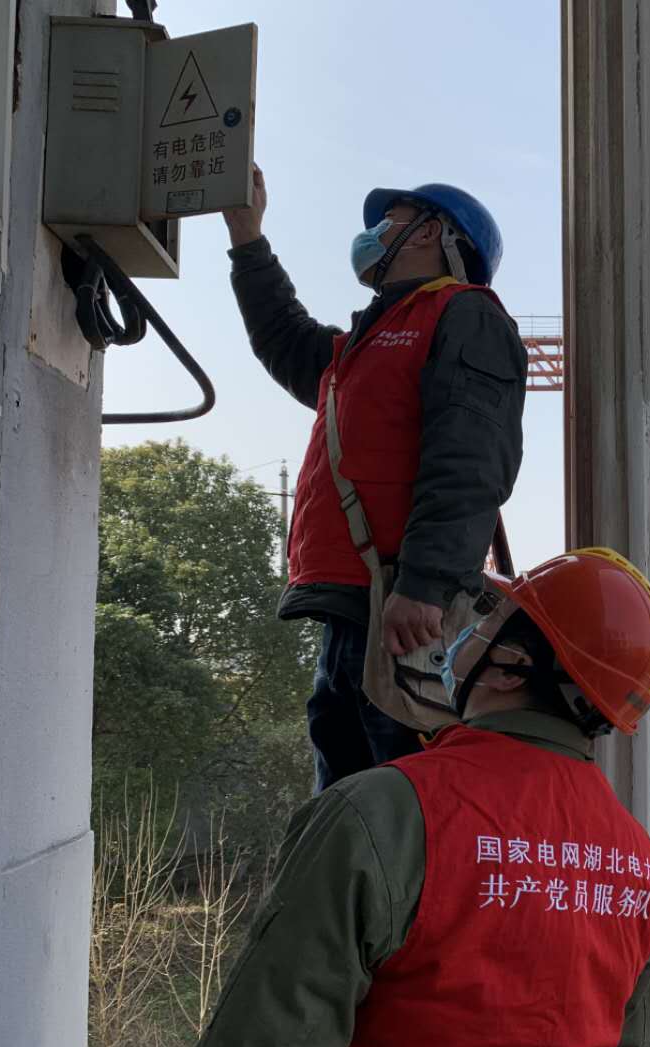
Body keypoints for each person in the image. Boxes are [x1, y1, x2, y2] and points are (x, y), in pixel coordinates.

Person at [184, 548, 650, 1047]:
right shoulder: (640, 864)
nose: (465, 631)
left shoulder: (378, 813)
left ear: (512, 667)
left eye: (488, 622)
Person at [223, 167, 528, 791]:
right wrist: (246, 235)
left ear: (432, 232)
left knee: (397, 811)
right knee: (345, 807)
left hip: (403, 610)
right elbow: (282, 336)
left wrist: (426, 583)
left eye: (390, 220)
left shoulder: (464, 315)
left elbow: (472, 458)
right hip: (357, 608)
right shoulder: (362, 347)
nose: (373, 234)